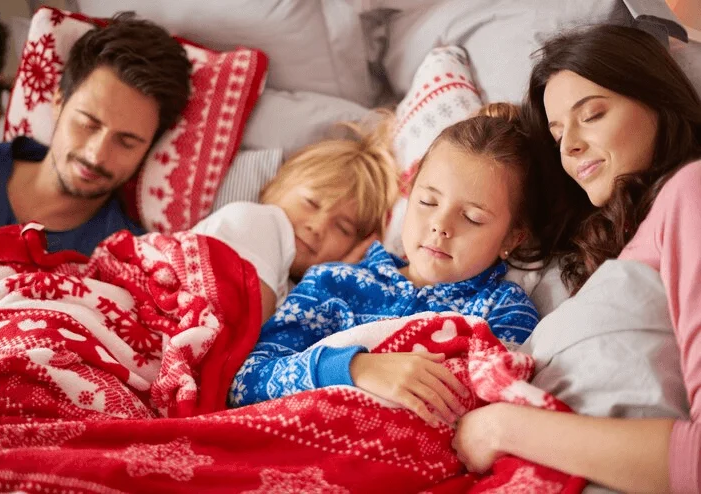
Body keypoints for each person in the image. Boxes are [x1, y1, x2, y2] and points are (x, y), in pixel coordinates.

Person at [452, 25, 701, 494]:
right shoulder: (606, 254)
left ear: (659, 101)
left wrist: (501, 428)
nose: (570, 145)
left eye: (593, 115)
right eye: (558, 132)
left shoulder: (692, 190)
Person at [229, 103, 542, 427]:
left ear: (512, 239)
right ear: (409, 196)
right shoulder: (334, 282)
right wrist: (356, 368)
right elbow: (246, 383)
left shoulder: (503, 309)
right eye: (428, 202)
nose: (440, 225)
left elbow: (500, 414)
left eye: (472, 218)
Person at [0, 12, 192, 256]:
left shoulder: (127, 259)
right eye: (88, 124)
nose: (96, 155)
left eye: (126, 142)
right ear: (59, 101)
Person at [191, 115, 400, 322]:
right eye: (311, 203)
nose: (317, 226)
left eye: (343, 228)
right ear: (274, 187)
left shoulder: (291, 289)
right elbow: (248, 338)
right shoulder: (254, 222)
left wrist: (337, 278)